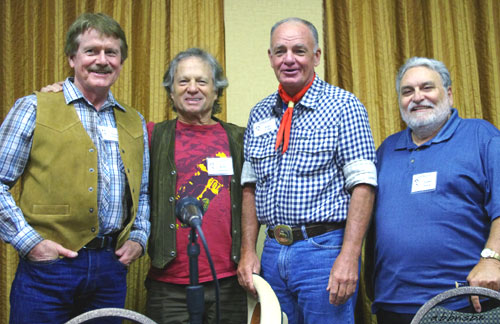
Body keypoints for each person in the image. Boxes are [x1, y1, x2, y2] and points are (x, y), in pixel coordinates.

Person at [0, 13, 150, 323]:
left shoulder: (134, 121)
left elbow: (143, 191)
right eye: (91, 51)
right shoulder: (33, 107)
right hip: (47, 271)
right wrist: (31, 243)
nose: (102, 60)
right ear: (72, 57)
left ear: (121, 61)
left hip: (110, 271)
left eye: (111, 52)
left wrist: (140, 237)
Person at [237, 17, 377, 323]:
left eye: (299, 50)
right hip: (273, 252)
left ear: (316, 56)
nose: (289, 59)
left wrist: (350, 256)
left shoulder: (344, 106)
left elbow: (363, 186)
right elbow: (250, 187)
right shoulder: (259, 112)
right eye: (280, 51)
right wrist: (248, 251)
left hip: (323, 252)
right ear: (271, 57)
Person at [367, 57, 500, 324]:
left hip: (463, 303)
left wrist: (493, 258)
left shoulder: (481, 136)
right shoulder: (386, 150)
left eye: (427, 87)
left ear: (448, 94)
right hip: (394, 306)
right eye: (408, 91)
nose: (417, 97)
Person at [145, 48, 247, 324]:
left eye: (202, 81)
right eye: (183, 81)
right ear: (171, 91)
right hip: (168, 284)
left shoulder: (239, 138)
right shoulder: (152, 136)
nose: (192, 89)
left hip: (227, 281)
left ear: (216, 92)